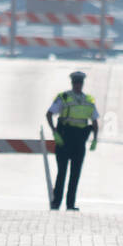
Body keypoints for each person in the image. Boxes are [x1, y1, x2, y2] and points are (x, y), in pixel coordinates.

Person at [46, 70, 99, 211]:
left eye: (80, 83)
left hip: (79, 140)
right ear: (72, 83)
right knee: (62, 172)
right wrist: (54, 132)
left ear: (83, 84)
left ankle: (70, 204)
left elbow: (94, 121)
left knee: (75, 174)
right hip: (65, 138)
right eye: (76, 82)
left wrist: (95, 139)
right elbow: (49, 114)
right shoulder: (64, 97)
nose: (78, 85)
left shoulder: (89, 100)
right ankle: (56, 203)